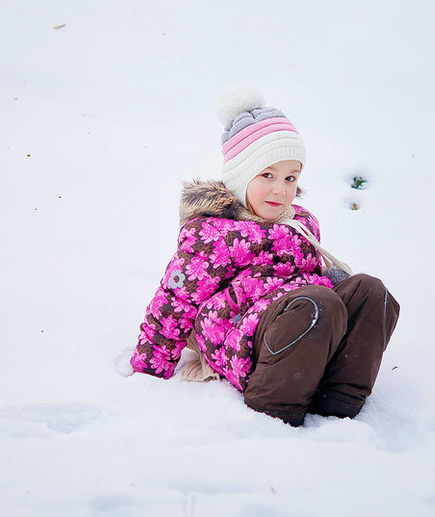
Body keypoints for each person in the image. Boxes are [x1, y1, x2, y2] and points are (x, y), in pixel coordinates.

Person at [130, 86, 400, 426]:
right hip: (244, 339)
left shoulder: (301, 225)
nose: (280, 189)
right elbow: (174, 300)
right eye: (267, 176)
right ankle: (277, 400)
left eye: (290, 178)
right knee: (317, 303)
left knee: (370, 292)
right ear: (240, 178)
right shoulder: (213, 233)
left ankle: (339, 396)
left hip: (303, 319)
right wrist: (149, 366)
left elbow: (316, 273)